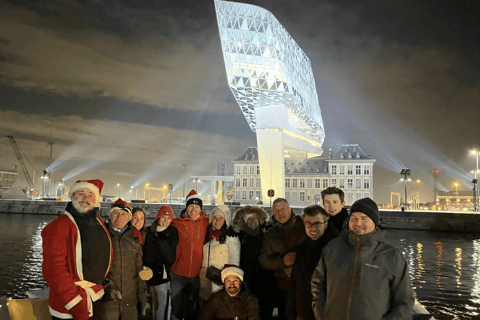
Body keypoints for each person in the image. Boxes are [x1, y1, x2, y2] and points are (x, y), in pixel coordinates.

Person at [311, 197, 415, 320]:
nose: (358, 223)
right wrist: (321, 314)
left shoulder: (391, 256)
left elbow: (404, 301)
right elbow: (317, 284)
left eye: (364, 218)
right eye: (354, 218)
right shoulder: (333, 248)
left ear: (374, 222)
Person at [41, 179, 113, 320]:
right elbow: (54, 269)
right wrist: (75, 303)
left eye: (91, 195)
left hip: (94, 296)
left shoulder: (98, 221)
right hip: (70, 304)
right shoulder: (59, 226)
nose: (85, 199)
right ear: (72, 196)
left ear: (96, 200)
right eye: (81, 193)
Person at [98, 198, 149, 320]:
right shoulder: (101, 236)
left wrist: (143, 298)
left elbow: (139, 270)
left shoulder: (135, 238)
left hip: (130, 300)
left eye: (124, 214)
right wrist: (108, 287)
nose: (119, 217)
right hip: (108, 300)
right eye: (115, 213)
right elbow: (94, 268)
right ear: (110, 215)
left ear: (128, 218)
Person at [259, 198, 306, 320]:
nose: (280, 213)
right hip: (284, 288)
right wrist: (282, 262)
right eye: (276, 210)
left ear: (290, 209)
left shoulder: (304, 226)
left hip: (305, 285)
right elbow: (263, 260)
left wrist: (294, 267)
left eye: (283, 209)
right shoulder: (270, 234)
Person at [291, 205, 339, 320]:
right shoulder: (302, 248)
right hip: (304, 311)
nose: (312, 228)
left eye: (317, 224)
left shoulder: (337, 248)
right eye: (308, 224)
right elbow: (296, 283)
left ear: (326, 223)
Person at [231, 205, 276, 320]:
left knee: (265, 311)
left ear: (260, 220)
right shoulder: (238, 237)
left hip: (266, 281)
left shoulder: (267, 235)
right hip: (246, 281)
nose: (252, 221)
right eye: (248, 219)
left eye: (255, 218)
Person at [170, 190, 209, 320]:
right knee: (176, 308)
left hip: (197, 275)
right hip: (178, 273)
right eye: (191, 206)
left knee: (193, 309)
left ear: (201, 209)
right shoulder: (176, 223)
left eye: (197, 206)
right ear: (186, 208)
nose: (193, 209)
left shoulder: (206, 223)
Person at [143, 205, 179, 320]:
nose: (165, 221)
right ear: (158, 217)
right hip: (148, 274)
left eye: (169, 218)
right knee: (151, 303)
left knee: (162, 306)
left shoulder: (172, 232)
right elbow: (145, 253)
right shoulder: (148, 231)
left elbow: (170, 259)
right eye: (163, 217)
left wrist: (161, 242)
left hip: (163, 275)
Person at [200, 205, 240, 302]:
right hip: (205, 277)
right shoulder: (208, 236)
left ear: (225, 220)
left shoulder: (231, 237)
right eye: (214, 218)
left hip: (219, 278)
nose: (217, 222)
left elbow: (234, 260)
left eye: (220, 218)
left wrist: (229, 279)